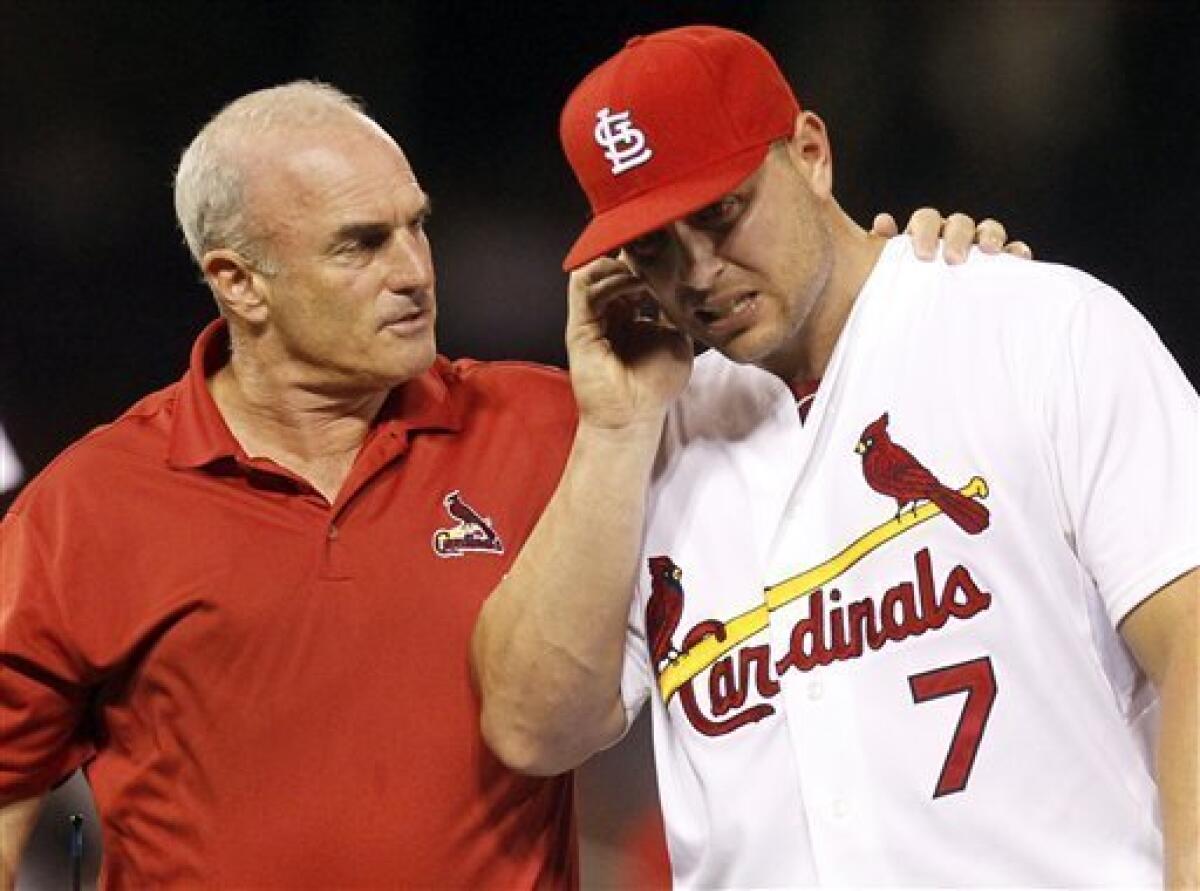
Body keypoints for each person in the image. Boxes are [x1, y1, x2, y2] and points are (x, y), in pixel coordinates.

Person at [0, 80, 1009, 887]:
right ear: (237, 280)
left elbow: (828, 392)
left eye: (416, 225)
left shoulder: (567, 424)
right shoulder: (89, 507)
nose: (415, 270)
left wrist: (933, 285)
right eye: (362, 244)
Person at [472, 25, 1199, 889]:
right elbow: (532, 729)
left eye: (720, 213)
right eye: (653, 246)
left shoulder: (1036, 327)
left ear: (810, 154)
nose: (697, 273)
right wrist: (614, 431)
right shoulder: (647, 441)